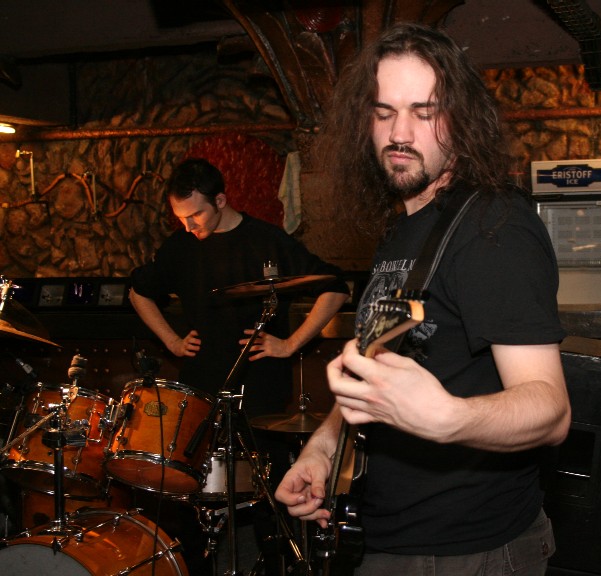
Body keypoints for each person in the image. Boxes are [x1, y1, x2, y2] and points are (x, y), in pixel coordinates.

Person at [275, 22, 571, 576]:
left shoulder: (493, 227)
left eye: (424, 111)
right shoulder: (405, 228)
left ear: (460, 119)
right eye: (384, 112)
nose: (399, 132)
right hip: (389, 536)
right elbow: (380, 369)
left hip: (469, 552)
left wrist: (448, 418)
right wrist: (324, 446)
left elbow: (551, 410)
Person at [129, 157, 350, 573]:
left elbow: (335, 288)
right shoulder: (180, 247)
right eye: (180, 218)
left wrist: (290, 344)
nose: (188, 226)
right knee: (191, 501)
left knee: (269, 500)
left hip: (261, 390)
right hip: (201, 389)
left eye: (195, 215)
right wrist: (172, 341)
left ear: (221, 200)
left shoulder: (267, 240)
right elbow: (138, 291)